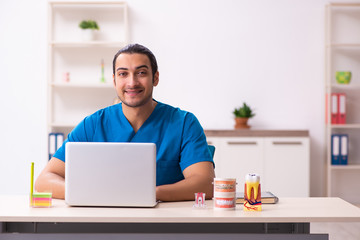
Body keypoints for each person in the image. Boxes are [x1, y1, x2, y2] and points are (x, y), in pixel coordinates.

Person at [35, 43, 215, 201]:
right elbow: (44, 181)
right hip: (104, 222)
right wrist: (89, 192)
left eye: (141, 72)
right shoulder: (93, 125)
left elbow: (205, 184)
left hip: (164, 223)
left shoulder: (184, 123)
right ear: (114, 80)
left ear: (156, 78)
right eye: (123, 74)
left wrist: (151, 193)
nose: (132, 82)